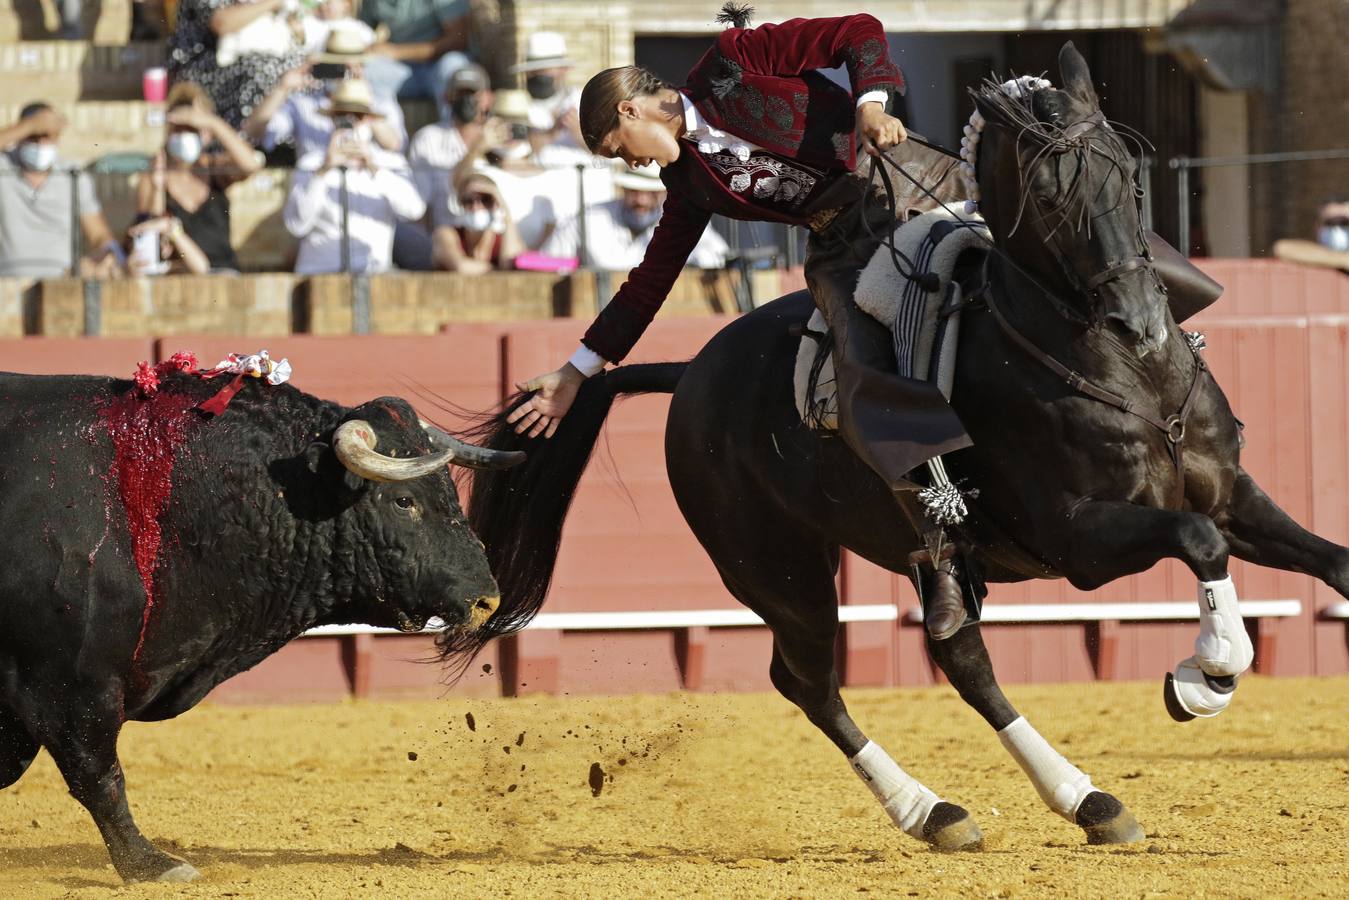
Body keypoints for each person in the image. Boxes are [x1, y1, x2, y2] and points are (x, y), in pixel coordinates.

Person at [505, 12, 990, 640]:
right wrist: (576, 372)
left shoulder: (733, 62)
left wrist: (871, 104)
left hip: (919, 184)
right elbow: (648, 284)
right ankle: (940, 549)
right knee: (857, 371)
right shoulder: (687, 185)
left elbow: (858, 31)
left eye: (619, 151)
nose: (632, 167)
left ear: (631, 111)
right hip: (844, 249)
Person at [283, 79, 426, 274]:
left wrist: (374, 168)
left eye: (357, 116)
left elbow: (414, 211)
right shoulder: (311, 163)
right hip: (319, 272)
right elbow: (296, 225)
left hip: (372, 272)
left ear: (368, 120)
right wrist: (324, 171)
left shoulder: (390, 163)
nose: (349, 123)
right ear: (332, 118)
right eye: (342, 115)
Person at [134, 82, 263, 274]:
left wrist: (214, 123)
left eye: (192, 128)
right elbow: (149, 226)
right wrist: (158, 186)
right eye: (180, 128)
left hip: (224, 272)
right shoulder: (154, 174)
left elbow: (251, 165)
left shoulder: (215, 168)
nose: (185, 134)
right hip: (180, 276)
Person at [0, 103, 124, 278]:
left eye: (47, 136)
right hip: (8, 281)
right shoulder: (4, 167)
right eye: (34, 136)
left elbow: (98, 235)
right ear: (20, 136)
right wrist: (30, 125)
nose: (41, 143)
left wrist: (107, 255)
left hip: (62, 279)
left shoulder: (72, 175)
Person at [243, 31, 408, 160]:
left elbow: (396, 145)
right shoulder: (303, 103)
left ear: (362, 66)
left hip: (366, 190)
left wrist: (363, 105)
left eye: (353, 64)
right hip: (319, 187)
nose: (345, 71)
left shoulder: (380, 100)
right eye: (338, 64)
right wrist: (282, 88)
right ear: (325, 65)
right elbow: (257, 134)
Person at [168, 0, 312, 128]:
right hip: (206, 69)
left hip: (255, 56)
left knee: (304, 71)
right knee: (266, 72)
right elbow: (221, 22)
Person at [584, 162, 728, 271]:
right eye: (634, 191)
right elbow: (561, 254)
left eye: (650, 192)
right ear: (623, 189)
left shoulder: (683, 217)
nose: (641, 200)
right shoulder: (593, 216)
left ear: (663, 193)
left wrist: (689, 257)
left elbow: (718, 255)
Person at [358, 0, 473, 120]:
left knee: (454, 68)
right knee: (365, 73)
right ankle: (389, 135)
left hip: (438, 65)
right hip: (401, 71)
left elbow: (458, 38)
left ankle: (454, 133)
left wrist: (397, 52)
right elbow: (360, 32)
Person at [432, 169, 524, 273]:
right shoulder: (446, 234)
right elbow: (461, 266)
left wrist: (506, 215)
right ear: (461, 204)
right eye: (469, 200)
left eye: (485, 199)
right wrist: (498, 270)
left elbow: (511, 264)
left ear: (496, 203)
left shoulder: (503, 239)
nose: (476, 206)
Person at [512, 31, 585, 154]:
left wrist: (578, 131)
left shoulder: (584, 100)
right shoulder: (517, 105)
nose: (538, 76)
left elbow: (609, 150)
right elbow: (515, 152)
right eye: (533, 71)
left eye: (544, 70)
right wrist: (552, 133)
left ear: (563, 69)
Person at [1274, 194, 1349, 272]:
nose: (1339, 228)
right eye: (1332, 222)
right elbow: (1282, 248)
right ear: (1317, 227)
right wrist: (1342, 260)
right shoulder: (1312, 250)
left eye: (1345, 222)